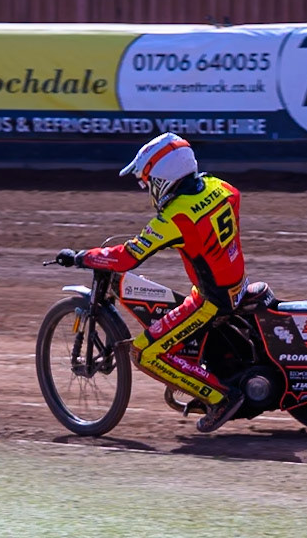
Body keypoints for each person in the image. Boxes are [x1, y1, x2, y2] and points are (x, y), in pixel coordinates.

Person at [55, 132, 249, 432]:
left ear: (163, 179)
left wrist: (82, 257)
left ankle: (221, 397)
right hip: (237, 283)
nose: (148, 190)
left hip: (211, 300)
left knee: (145, 352)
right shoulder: (221, 187)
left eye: (148, 182)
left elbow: (127, 258)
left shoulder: (176, 217)